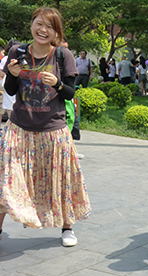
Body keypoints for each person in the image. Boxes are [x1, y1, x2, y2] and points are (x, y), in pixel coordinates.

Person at [0, 7, 91, 245]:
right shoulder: (16, 51)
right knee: (6, 179)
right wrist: (12, 74)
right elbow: (10, 90)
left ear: (56, 32)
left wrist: (58, 84)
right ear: (32, 25)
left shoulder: (63, 56)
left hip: (53, 129)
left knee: (61, 178)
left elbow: (70, 94)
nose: (43, 30)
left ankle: (67, 227)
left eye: (49, 26)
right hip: (19, 128)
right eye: (39, 24)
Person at [0, 39, 20, 120]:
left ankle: (12, 130)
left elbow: (2, 73)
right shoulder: (21, 58)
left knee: (10, 111)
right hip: (19, 87)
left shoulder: (5, 59)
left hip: (9, 86)